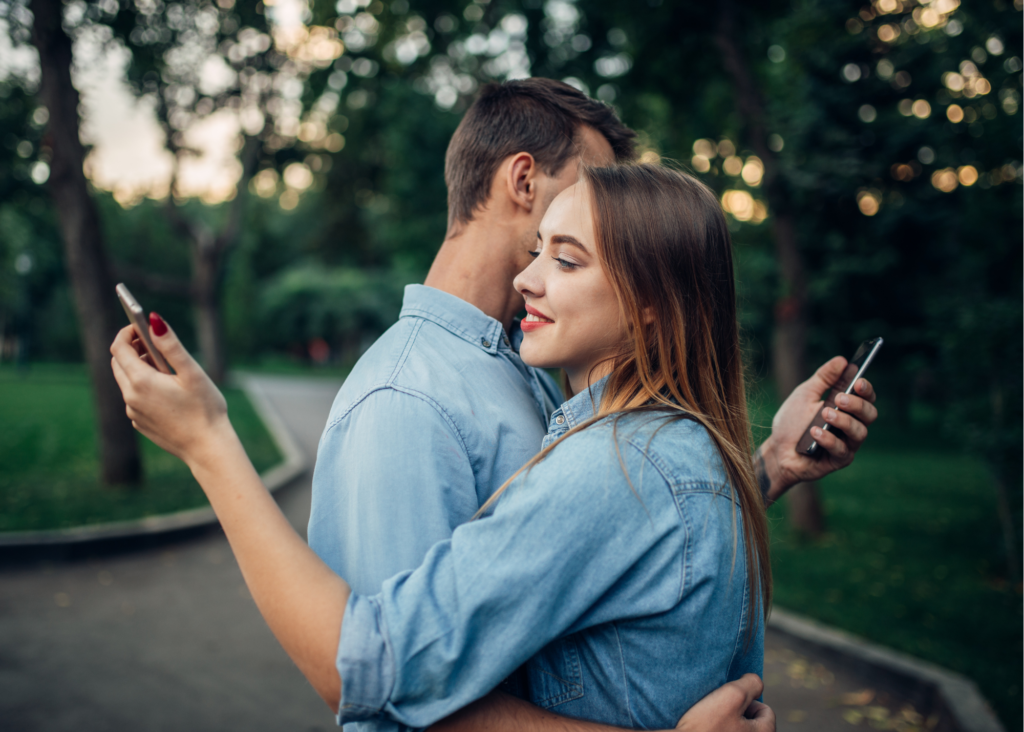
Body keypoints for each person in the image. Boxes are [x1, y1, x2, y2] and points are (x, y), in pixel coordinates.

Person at [110, 163, 865, 732]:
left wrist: (208, 442)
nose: (527, 278)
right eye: (538, 250)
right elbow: (652, 560)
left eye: (566, 261)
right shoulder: (686, 451)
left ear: (651, 308)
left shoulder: (621, 465)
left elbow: (374, 664)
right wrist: (764, 466)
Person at [305, 79, 876, 729]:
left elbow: (619, 528)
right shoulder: (407, 400)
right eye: (596, 181)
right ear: (524, 181)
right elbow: (383, 693)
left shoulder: (541, 361)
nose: (611, 206)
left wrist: (769, 465)